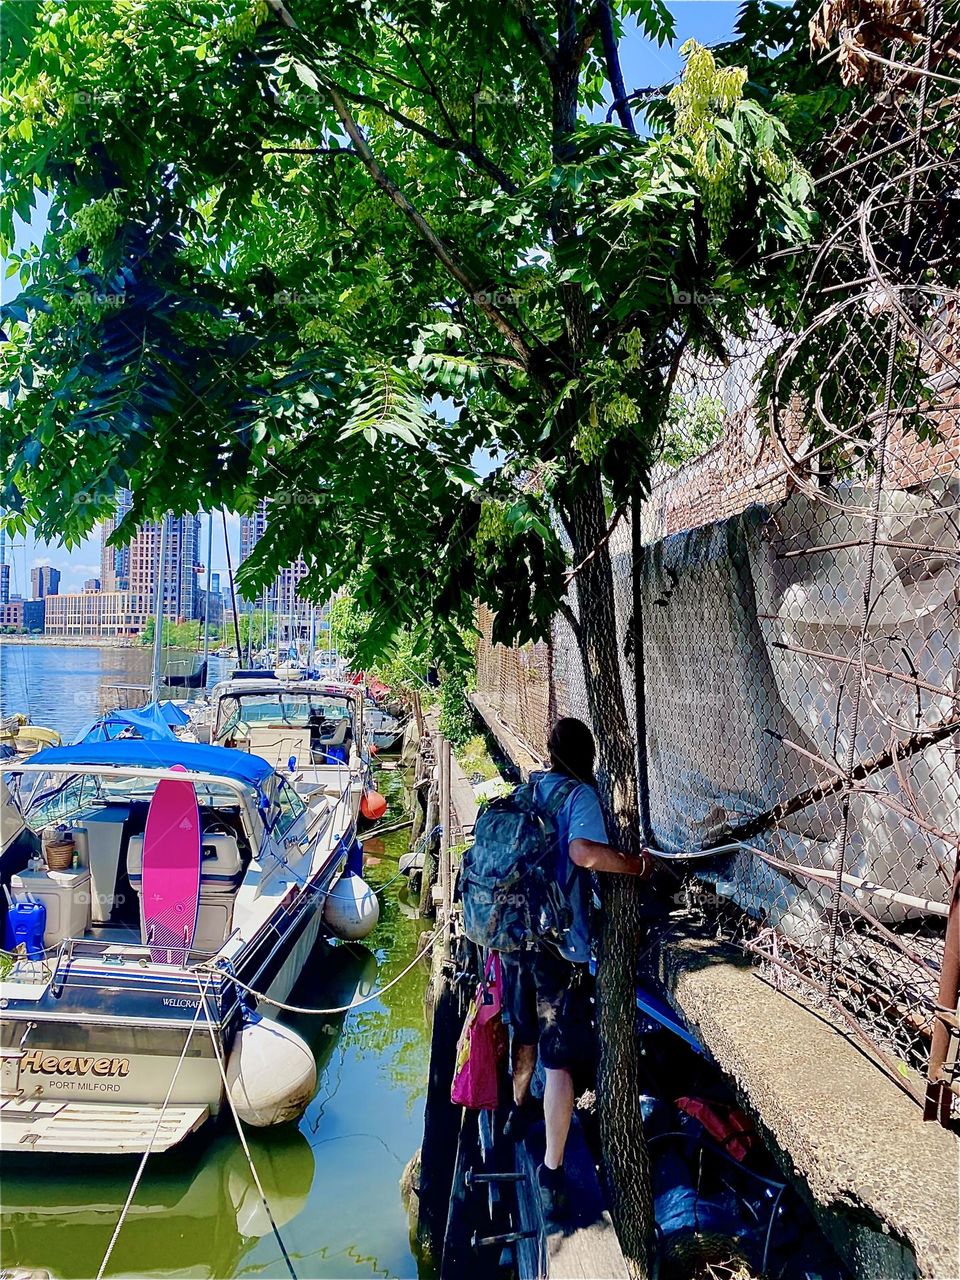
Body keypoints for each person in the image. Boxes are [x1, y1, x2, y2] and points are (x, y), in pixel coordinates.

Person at [499, 717, 653, 1216]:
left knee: (522, 1030)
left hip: (513, 932)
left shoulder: (534, 786)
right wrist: (636, 864)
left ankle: (516, 1112)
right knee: (559, 1058)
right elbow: (583, 852)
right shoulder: (579, 796)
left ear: (549, 749)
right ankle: (552, 1170)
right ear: (589, 757)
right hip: (556, 944)